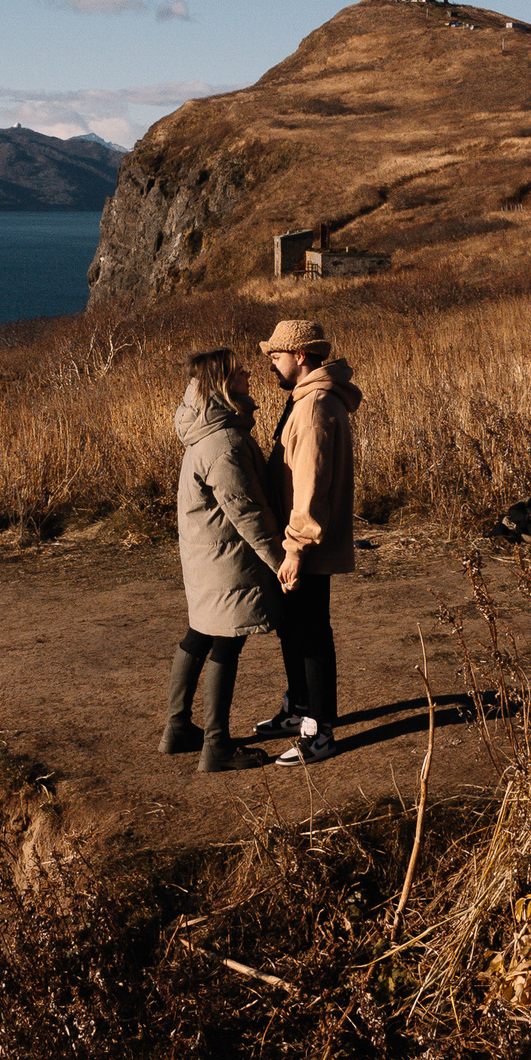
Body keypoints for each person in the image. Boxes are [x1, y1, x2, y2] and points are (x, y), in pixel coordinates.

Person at [162, 348, 286, 772]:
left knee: (199, 634)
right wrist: (279, 560)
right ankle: (216, 746)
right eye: (239, 372)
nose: (249, 374)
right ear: (222, 384)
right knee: (227, 642)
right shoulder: (225, 441)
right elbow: (245, 511)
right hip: (227, 560)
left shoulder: (205, 429)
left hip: (204, 554)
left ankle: (177, 727)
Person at [251, 319, 363, 766]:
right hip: (302, 541)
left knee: (312, 633)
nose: (271, 366)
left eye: (276, 357)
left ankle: (319, 732)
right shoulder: (307, 400)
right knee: (295, 627)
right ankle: (299, 710)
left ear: (300, 356)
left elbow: (311, 487)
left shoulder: (315, 407)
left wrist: (295, 548)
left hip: (308, 545)